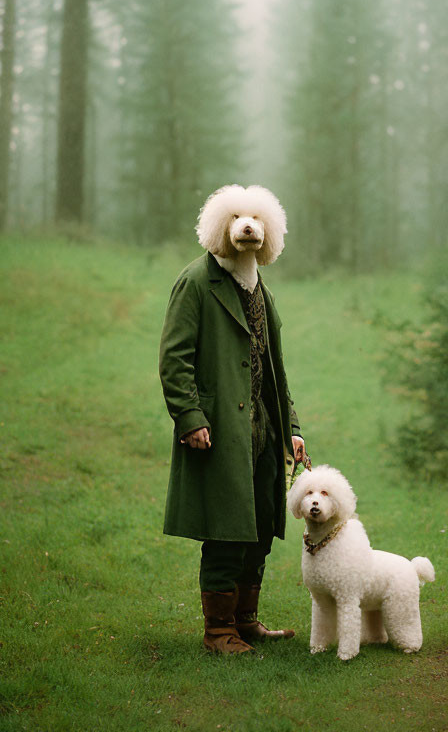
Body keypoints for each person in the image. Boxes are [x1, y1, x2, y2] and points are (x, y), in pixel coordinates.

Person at [159, 185, 307, 654]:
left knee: (261, 525)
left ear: (269, 233)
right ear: (221, 226)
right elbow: (173, 358)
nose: (247, 226)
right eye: (237, 218)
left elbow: (275, 370)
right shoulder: (196, 282)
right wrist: (190, 416)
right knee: (226, 530)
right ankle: (217, 631)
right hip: (218, 429)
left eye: (256, 219)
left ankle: (245, 621)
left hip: (263, 429)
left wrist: (293, 430)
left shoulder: (258, 284)